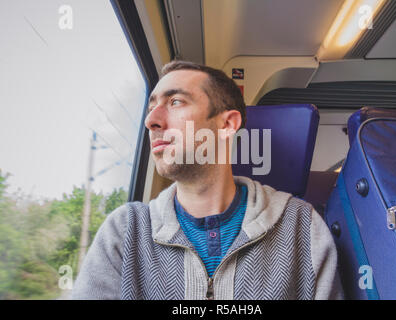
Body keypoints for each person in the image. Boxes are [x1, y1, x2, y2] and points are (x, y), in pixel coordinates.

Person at [72, 60, 343, 300]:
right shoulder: (126, 231)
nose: (151, 120)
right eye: (152, 106)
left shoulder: (302, 228)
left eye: (175, 101)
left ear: (226, 125)